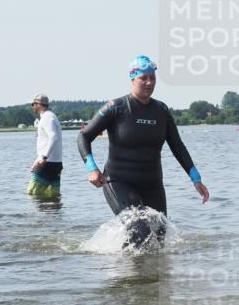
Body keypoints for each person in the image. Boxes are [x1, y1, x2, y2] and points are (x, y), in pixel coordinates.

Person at [77, 54, 209, 247]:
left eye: (152, 78)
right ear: (133, 78)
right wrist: (92, 168)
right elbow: (83, 136)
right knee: (140, 230)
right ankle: (124, 274)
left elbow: (177, 146)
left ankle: (146, 276)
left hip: (152, 185)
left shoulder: (161, 111)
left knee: (159, 237)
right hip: (119, 182)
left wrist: (195, 178)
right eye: (143, 78)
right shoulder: (116, 107)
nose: (149, 82)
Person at [27, 94, 63, 198]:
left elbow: (54, 137)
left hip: (47, 164)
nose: (32, 107)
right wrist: (36, 162)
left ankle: (39, 215)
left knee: (33, 194)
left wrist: (43, 158)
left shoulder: (47, 118)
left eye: (33, 104)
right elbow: (45, 144)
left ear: (38, 104)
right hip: (54, 163)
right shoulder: (51, 116)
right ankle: (54, 215)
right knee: (53, 198)